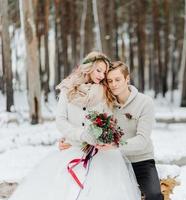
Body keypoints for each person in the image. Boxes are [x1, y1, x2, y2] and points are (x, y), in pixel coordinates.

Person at [9, 52, 141, 200]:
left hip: (101, 153)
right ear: (88, 67)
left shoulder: (104, 92)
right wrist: (79, 135)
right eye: (98, 70)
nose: (102, 75)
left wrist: (103, 136)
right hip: (73, 148)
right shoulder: (68, 88)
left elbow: (109, 119)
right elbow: (61, 120)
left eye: (104, 72)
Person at [60, 61, 164, 200]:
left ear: (127, 79)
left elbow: (142, 140)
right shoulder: (105, 101)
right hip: (113, 160)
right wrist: (70, 140)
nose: (113, 84)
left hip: (140, 160)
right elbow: (89, 129)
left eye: (117, 79)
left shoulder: (145, 102)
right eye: (109, 80)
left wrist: (116, 146)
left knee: (154, 195)